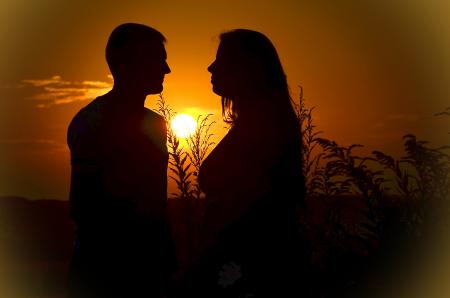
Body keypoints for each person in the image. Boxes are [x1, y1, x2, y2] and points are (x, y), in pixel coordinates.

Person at [172, 29, 310, 297]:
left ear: (246, 68)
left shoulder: (264, 125)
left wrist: (196, 271)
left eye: (221, 60)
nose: (211, 67)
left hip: (248, 271)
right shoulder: (260, 121)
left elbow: (243, 215)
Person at [66, 23, 177, 298]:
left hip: (147, 270)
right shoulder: (92, 123)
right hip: (106, 274)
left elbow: (156, 205)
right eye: (158, 59)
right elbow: (83, 206)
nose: (166, 69)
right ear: (130, 63)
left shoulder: (155, 124)